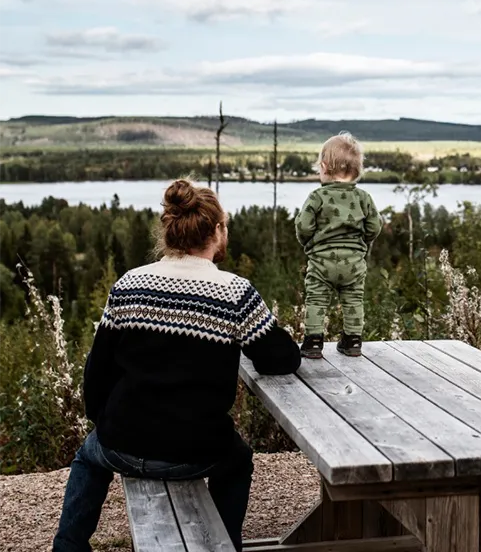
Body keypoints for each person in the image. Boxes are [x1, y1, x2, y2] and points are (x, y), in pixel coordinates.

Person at [53, 179, 302, 552]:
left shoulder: (129, 285)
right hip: (195, 451)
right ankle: (224, 544)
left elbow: (97, 371)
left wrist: (105, 424)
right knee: (238, 462)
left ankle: (68, 546)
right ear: (217, 231)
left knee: (89, 459)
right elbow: (280, 358)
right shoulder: (235, 292)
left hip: (120, 441)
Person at [295, 131, 382, 359]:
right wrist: (362, 241)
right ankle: (352, 341)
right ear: (357, 170)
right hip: (353, 263)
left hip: (322, 262)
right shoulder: (363, 198)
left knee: (315, 299)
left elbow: (303, 226)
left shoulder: (317, 197)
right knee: (353, 299)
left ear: (323, 167)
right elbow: (374, 226)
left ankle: (313, 343)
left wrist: (310, 243)